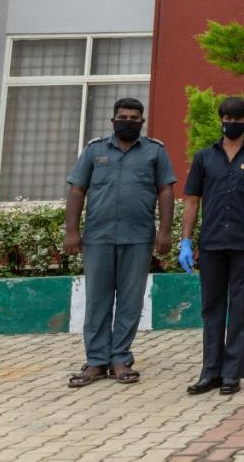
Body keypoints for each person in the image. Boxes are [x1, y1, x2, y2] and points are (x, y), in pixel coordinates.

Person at [63, 97, 175, 388]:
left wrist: (164, 231)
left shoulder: (155, 151)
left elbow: (165, 191)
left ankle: (120, 359)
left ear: (142, 122)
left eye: (134, 117)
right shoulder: (94, 150)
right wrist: (71, 231)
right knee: (98, 300)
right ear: (113, 120)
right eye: (123, 116)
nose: (128, 121)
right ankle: (97, 361)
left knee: (130, 300)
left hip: (138, 238)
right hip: (98, 238)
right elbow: (77, 190)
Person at [178, 96, 244, 395]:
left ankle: (232, 373)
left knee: (240, 309)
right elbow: (192, 199)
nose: (230, 123)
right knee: (212, 309)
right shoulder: (204, 157)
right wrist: (186, 240)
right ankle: (210, 372)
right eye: (226, 117)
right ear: (220, 119)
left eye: (237, 119)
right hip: (210, 245)